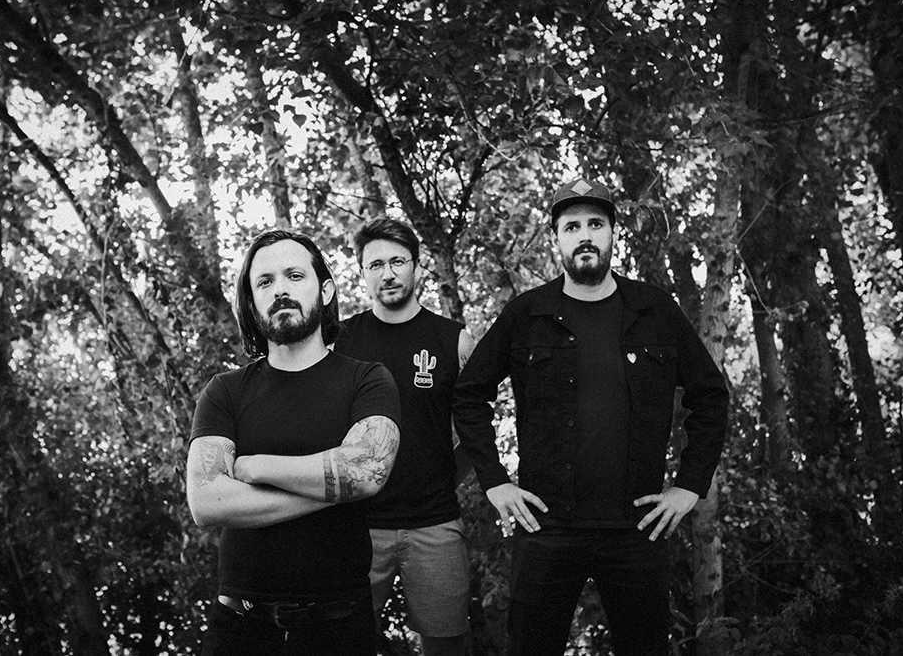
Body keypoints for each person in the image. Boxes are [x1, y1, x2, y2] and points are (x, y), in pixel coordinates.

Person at [452, 178, 729, 656]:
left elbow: (710, 395)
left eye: (595, 224)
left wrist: (689, 486)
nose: (584, 235)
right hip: (546, 524)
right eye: (572, 226)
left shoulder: (654, 310)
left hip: (638, 525)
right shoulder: (527, 314)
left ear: (612, 233)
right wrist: (495, 482)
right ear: (556, 238)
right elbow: (469, 395)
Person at [186, 229, 401, 656]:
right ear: (252, 303)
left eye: (294, 275)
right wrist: (334, 488)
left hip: (339, 629)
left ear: (326, 290)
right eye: (265, 281)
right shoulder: (225, 391)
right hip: (239, 629)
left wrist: (257, 467)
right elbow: (207, 501)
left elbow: (365, 470)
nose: (280, 289)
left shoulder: (367, 379)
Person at [334, 217, 474, 656]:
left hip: (435, 523)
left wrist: (444, 478)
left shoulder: (454, 340)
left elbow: (475, 429)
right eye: (375, 265)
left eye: (397, 261)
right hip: (357, 527)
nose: (388, 273)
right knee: (343, 642)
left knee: (446, 646)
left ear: (416, 265)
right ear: (363, 272)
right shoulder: (340, 342)